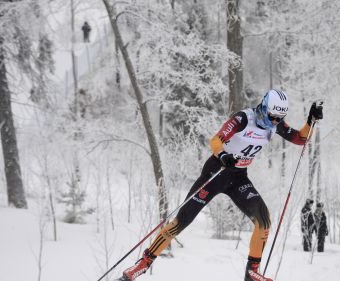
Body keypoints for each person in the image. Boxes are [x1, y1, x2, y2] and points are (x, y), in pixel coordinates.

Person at [118, 89, 323, 281]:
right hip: (216, 171)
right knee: (182, 220)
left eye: (279, 118)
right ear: (263, 107)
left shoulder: (275, 123)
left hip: (238, 177)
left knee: (264, 221)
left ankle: (251, 272)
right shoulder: (243, 118)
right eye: (272, 116)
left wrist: (311, 120)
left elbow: (300, 139)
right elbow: (216, 140)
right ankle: (143, 264)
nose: (276, 121)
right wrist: (224, 154)